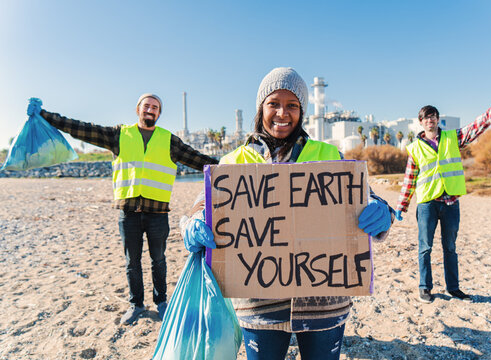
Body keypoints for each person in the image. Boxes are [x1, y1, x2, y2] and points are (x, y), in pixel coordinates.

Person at [179, 67, 394, 360]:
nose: (283, 113)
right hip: (258, 303)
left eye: (292, 105)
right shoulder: (234, 161)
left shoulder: (327, 154)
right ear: (260, 108)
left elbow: (363, 193)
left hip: (324, 302)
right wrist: (192, 224)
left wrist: (382, 212)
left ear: (302, 111)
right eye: (274, 103)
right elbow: (200, 206)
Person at [26, 94, 219, 325]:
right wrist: (46, 116)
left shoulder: (169, 140)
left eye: (155, 107)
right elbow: (80, 129)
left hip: (158, 214)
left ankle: (162, 302)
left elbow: (201, 161)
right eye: (146, 105)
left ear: (159, 113)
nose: (150, 109)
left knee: (158, 260)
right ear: (138, 109)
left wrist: (235, 165)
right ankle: (136, 304)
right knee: (132, 262)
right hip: (128, 214)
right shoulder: (119, 135)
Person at [394, 103, 491, 304]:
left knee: (450, 247)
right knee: (425, 247)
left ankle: (453, 288)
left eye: (433, 117)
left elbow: (475, 128)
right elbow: (410, 179)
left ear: (438, 119)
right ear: (421, 122)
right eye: (426, 118)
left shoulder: (452, 138)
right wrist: (401, 205)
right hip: (427, 204)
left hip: (450, 202)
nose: (430, 120)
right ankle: (425, 288)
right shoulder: (414, 148)